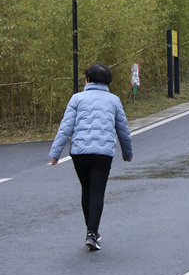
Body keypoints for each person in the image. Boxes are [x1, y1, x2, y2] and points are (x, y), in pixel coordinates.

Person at [49, 63, 133, 251]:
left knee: (86, 190)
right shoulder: (114, 100)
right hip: (103, 154)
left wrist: (55, 153)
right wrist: (127, 153)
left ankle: (91, 231)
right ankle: (92, 233)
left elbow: (65, 127)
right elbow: (123, 131)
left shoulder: (77, 98)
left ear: (87, 80)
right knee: (97, 192)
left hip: (80, 154)